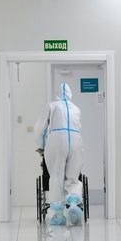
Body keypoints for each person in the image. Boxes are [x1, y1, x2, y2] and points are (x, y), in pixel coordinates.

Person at [35, 82, 84, 226]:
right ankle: (73, 203)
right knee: (73, 176)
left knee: (56, 176)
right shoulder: (76, 109)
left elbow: (40, 127)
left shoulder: (52, 106)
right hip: (75, 141)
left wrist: (40, 145)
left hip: (57, 141)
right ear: (70, 94)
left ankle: (58, 215)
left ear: (58, 93)